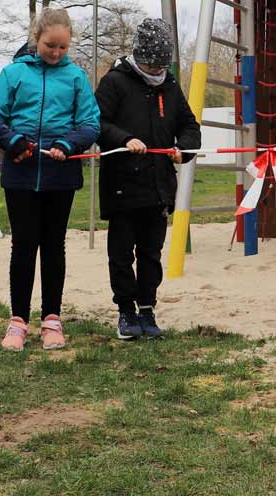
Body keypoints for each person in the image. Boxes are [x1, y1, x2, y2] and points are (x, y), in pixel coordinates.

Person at [0, 8, 100, 351]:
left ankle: (52, 320)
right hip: (20, 175)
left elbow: (90, 123)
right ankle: (18, 321)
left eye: (63, 47)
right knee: (23, 245)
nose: (56, 53)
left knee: (53, 246)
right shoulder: (13, 74)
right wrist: (12, 140)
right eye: (51, 45)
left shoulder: (76, 77)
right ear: (37, 38)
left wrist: (68, 143)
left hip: (60, 177)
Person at [94, 18, 200, 341]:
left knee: (151, 254)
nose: (156, 71)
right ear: (139, 57)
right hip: (123, 187)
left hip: (159, 188)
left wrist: (184, 150)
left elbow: (190, 126)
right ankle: (126, 311)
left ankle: (148, 309)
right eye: (151, 64)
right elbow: (97, 123)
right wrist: (125, 139)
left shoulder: (170, 86)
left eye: (161, 65)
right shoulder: (114, 83)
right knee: (122, 254)